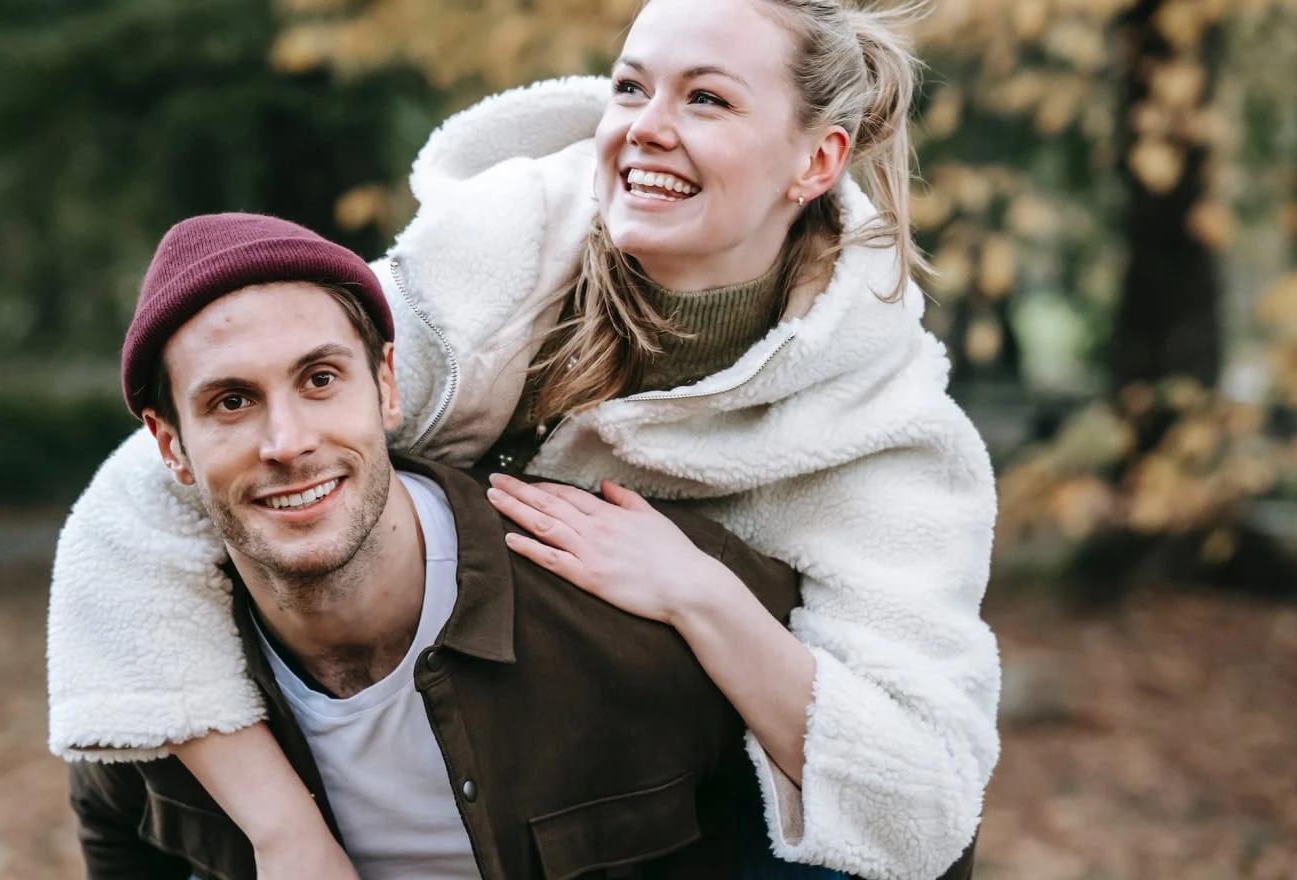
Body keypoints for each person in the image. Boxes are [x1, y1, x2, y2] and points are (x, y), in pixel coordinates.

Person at [48, 0, 1000, 877]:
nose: (646, 126)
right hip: (435, 700)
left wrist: (700, 593)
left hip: (668, 777)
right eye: (631, 87)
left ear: (818, 162)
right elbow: (137, 512)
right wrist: (285, 833)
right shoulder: (495, 267)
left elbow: (922, 804)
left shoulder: (880, 432)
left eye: (706, 98)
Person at [66, 212, 829, 879]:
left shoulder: (634, 598)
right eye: (231, 402)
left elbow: (865, 804)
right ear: (170, 446)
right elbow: (111, 823)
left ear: (387, 386)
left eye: (321, 379)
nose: (288, 442)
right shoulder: (157, 699)